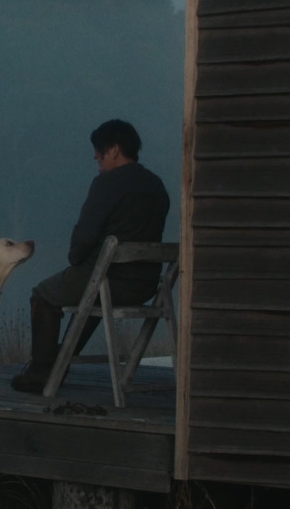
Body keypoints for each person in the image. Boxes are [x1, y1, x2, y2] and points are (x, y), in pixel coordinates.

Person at [11, 119, 171, 393]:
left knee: (43, 294)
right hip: (144, 286)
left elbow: (85, 235)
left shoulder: (107, 183)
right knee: (93, 294)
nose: (95, 155)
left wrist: (75, 258)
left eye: (99, 149)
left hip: (108, 280)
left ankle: (41, 371)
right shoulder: (157, 186)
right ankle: (60, 361)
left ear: (115, 150)